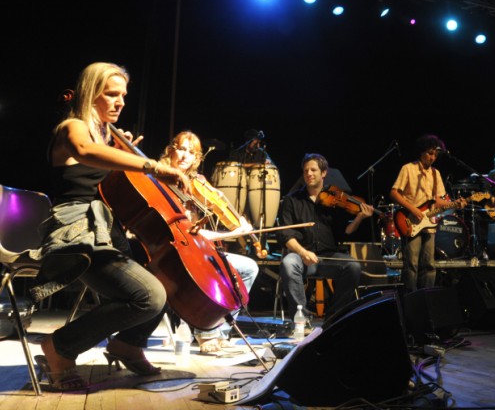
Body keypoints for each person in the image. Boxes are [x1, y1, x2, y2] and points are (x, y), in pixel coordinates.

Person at [30, 62, 189, 390]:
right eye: (111, 94)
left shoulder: (108, 136)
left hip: (107, 231)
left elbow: (108, 178)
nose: (120, 102)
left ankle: (128, 344)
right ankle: (59, 347)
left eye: (123, 96)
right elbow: (86, 151)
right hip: (75, 231)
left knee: (171, 276)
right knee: (149, 296)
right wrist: (153, 165)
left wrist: (120, 150)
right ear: (91, 94)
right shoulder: (72, 127)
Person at [159, 131, 260, 353]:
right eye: (182, 149)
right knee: (210, 272)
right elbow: (180, 231)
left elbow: (199, 228)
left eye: (192, 152)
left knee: (248, 268)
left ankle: (220, 330)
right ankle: (206, 334)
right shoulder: (160, 182)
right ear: (170, 150)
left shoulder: (194, 184)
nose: (186, 156)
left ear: (197, 159)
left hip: (195, 248)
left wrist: (237, 223)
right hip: (171, 251)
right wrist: (222, 235)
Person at [277, 153, 372, 319]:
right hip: (302, 257)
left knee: (353, 266)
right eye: (306, 170)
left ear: (323, 173)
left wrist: (359, 218)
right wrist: (303, 252)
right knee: (288, 263)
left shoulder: (335, 200)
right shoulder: (291, 200)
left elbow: (346, 232)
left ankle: (334, 315)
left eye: (313, 170)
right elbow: (286, 234)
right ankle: (301, 319)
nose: (309, 173)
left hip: (328, 257)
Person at [389, 134, 466, 293]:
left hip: (429, 224)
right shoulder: (408, 168)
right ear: (421, 152)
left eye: (435, 155)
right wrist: (413, 209)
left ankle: (427, 297)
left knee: (429, 265)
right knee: (412, 264)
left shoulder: (435, 174)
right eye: (430, 153)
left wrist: (455, 204)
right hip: (410, 220)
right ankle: (410, 298)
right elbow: (394, 193)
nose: (432, 157)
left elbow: (437, 201)